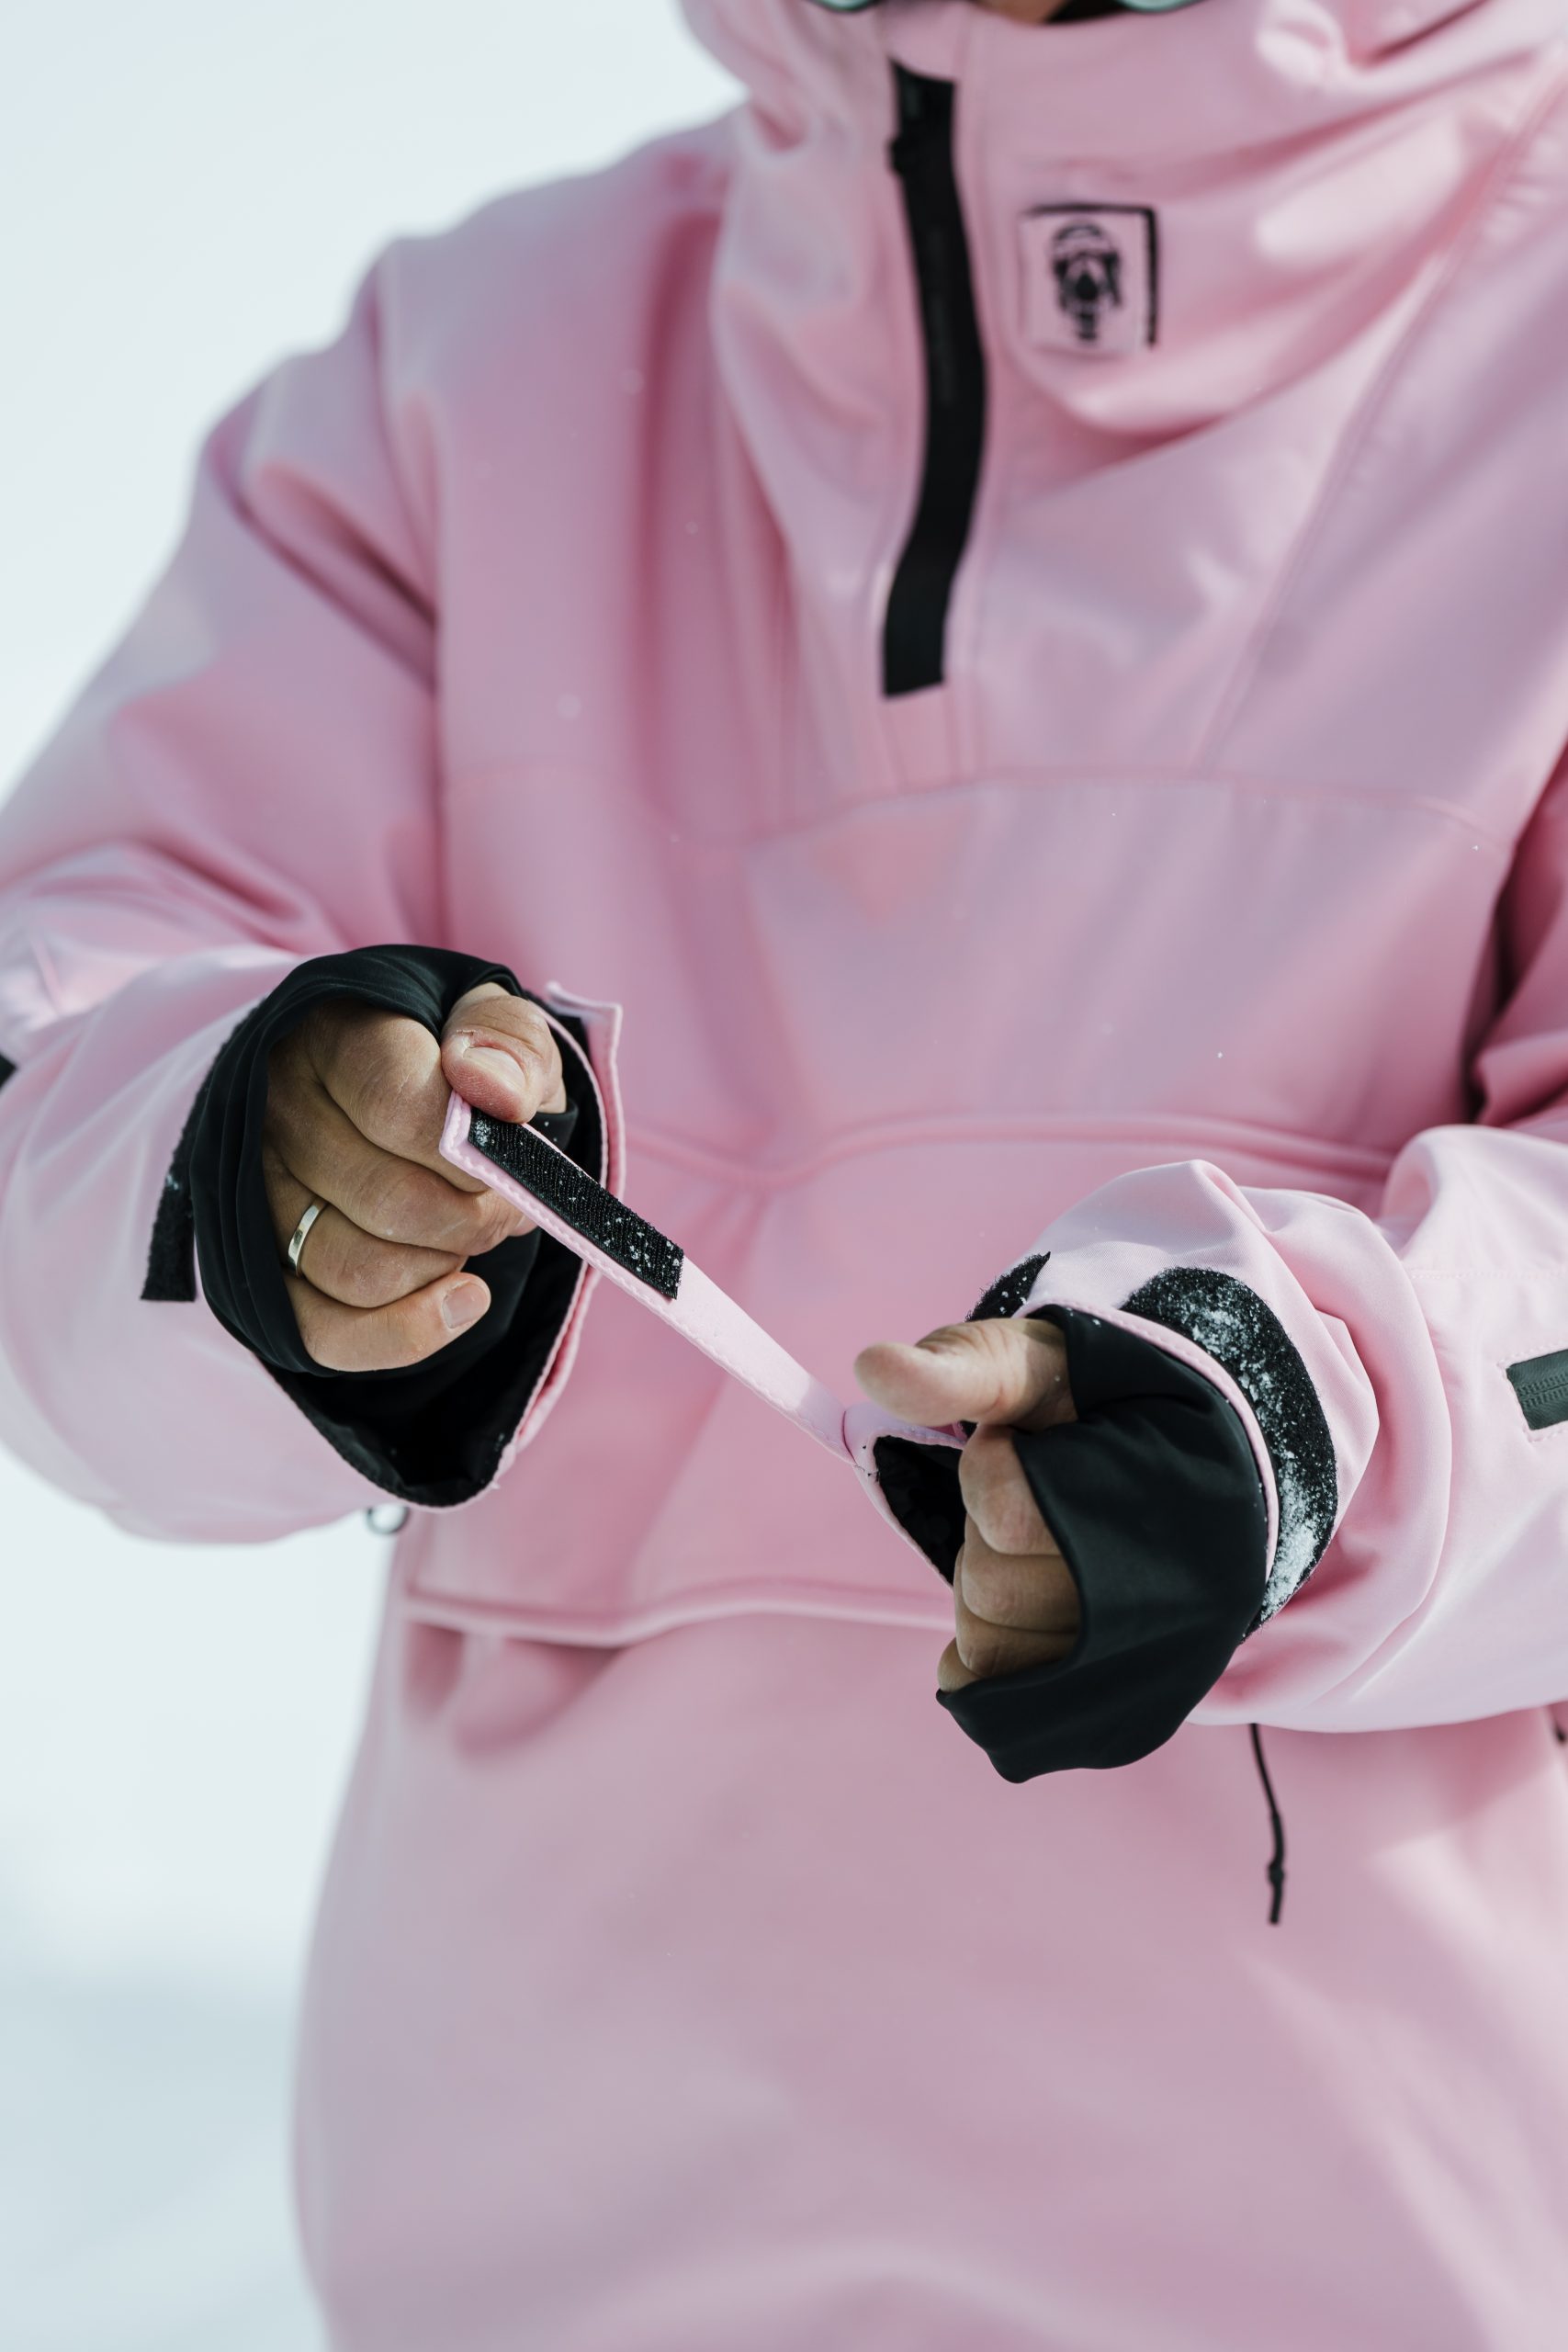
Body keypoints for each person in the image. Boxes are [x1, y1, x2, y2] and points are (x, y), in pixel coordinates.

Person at [4, 0, 1568, 2338]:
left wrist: (1308, 1401)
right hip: (547, 2256)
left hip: (1392, 2251)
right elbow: (54, 1075)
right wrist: (244, 1148)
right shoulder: (470, 378)